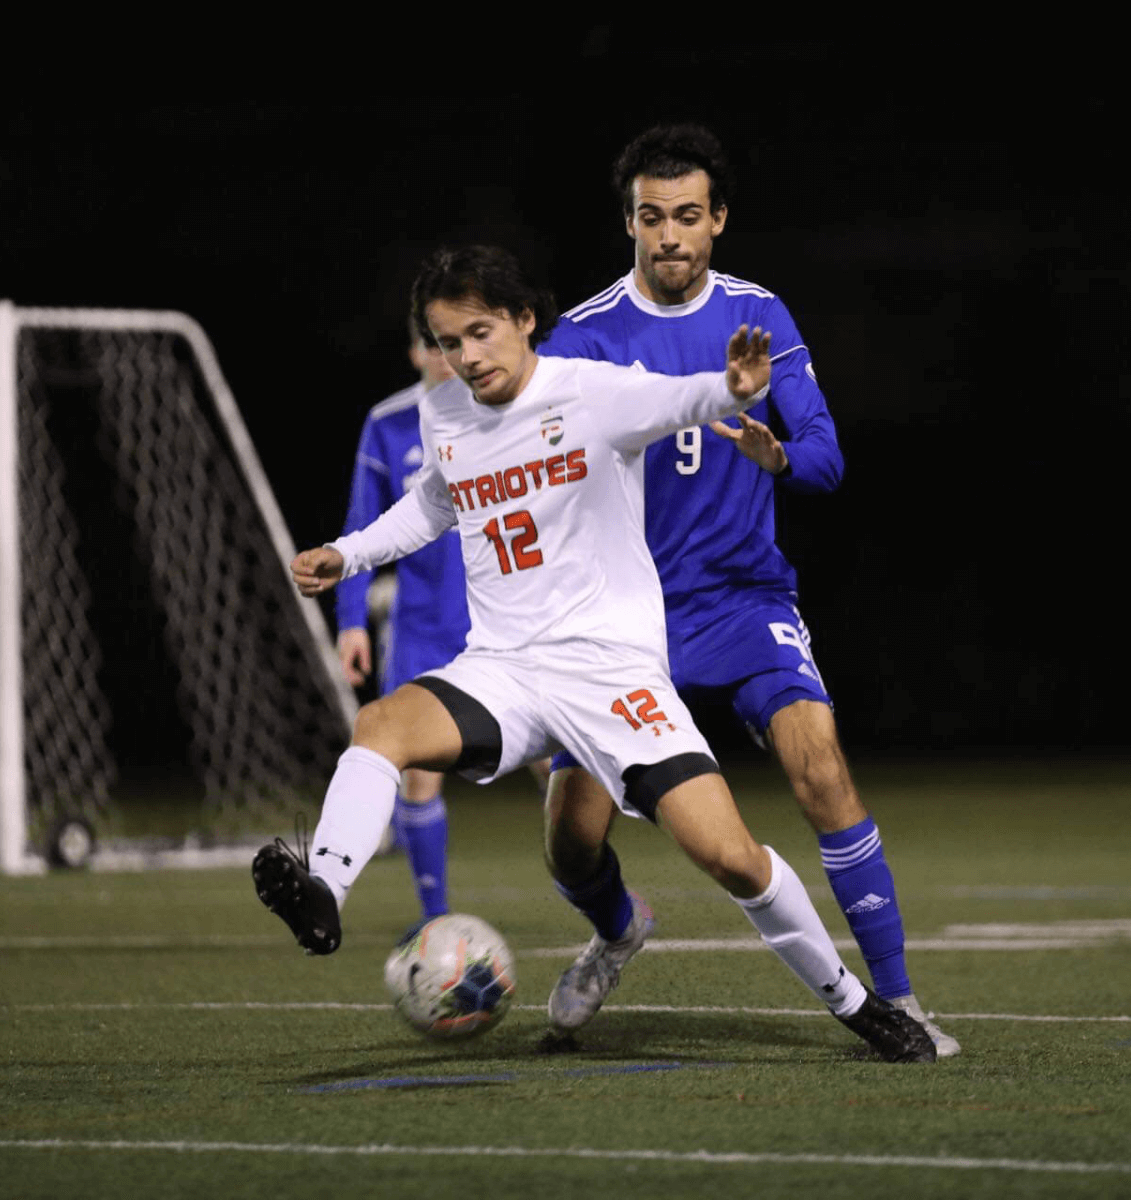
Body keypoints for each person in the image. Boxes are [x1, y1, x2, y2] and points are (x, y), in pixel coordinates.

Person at [252, 244, 935, 1063]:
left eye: (478, 334)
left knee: (729, 857)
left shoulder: (591, 392)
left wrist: (735, 389)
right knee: (383, 725)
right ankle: (325, 887)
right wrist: (348, 553)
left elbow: (682, 398)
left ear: (524, 320)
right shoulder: (447, 414)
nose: (465, 358)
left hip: (611, 674)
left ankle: (861, 1007)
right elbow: (436, 500)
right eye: (446, 343)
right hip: (503, 667)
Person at [538, 124, 959, 1056]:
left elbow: (827, 461)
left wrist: (778, 459)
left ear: (719, 220)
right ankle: (617, 928)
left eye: (689, 216)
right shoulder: (582, 335)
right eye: (653, 219)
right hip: (623, 621)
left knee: (822, 770)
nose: (671, 237)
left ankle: (898, 1002)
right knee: (569, 843)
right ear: (631, 223)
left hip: (741, 600)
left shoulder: (762, 316)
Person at [334, 322, 466, 921]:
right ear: (414, 351)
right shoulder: (388, 422)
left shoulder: (504, 409)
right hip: (422, 625)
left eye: (456, 341)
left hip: (504, 622)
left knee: (556, 762)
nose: (446, 356)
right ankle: (435, 919)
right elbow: (362, 525)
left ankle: (595, 898)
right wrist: (351, 621)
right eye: (433, 344)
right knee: (416, 769)